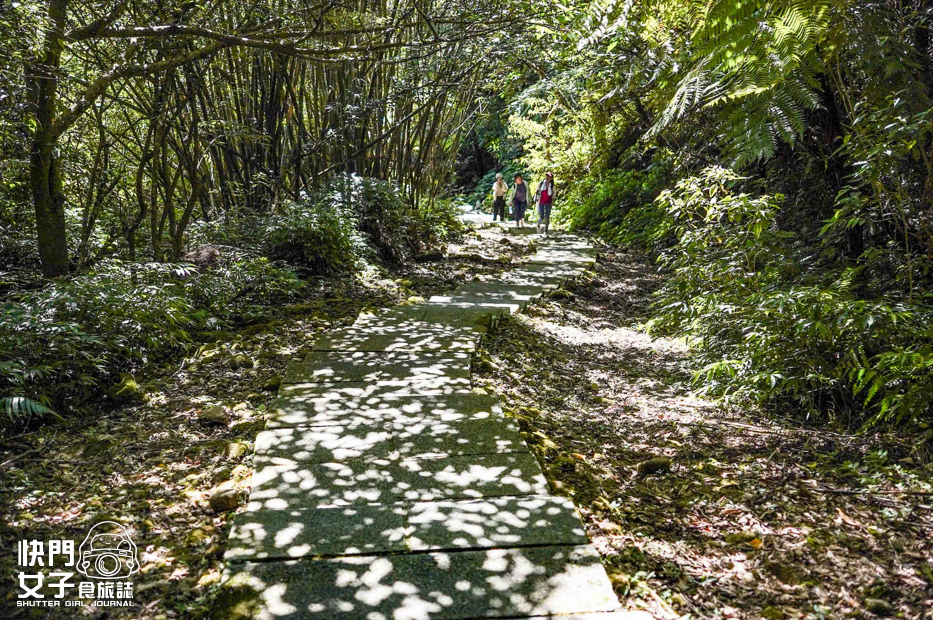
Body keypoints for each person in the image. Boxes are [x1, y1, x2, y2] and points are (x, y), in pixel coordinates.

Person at [534, 172, 556, 237]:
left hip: (548, 202)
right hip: (541, 202)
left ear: (551, 178)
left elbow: (554, 194)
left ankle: (546, 230)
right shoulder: (541, 184)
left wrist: (553, 201)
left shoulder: (552, 186)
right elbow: (537, 192)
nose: (548, 178)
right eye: (547, 176)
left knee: (547, 216)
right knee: (541, 216)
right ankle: (538, 224)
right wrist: (536, 199)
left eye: (549, 177)